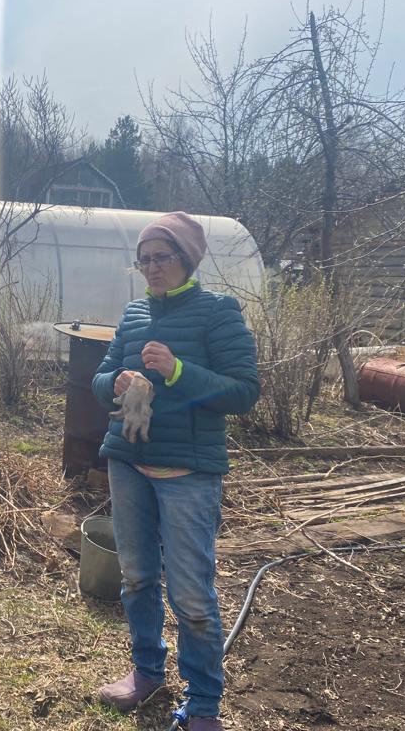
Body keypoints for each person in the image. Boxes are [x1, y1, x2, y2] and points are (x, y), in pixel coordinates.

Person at [91, 212, 260, 731]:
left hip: (187, 472)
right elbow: (98, 379)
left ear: (186, 258)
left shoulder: (217, 312)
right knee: (138, 579)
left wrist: (178, 371)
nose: (152, 268)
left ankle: (204, 703)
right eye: (144, 260)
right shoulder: (134, 313)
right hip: (130, 464)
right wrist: (114, 383)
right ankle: (147, 672)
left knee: (191, 593)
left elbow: (244, 392)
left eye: (162, 257)